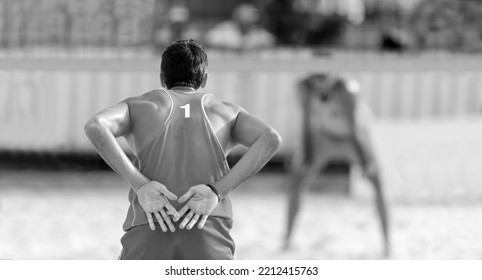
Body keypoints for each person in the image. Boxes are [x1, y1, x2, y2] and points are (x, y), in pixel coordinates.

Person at [84, 39, 282, 260]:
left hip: (150, 222)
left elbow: (96, 127)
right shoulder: (225, 111)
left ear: (162, 78)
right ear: (204, 79)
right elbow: (270, 139)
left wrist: (141, 186)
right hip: (207, 225)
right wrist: (218, 191)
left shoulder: (140, 105)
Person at [283, 74, 390, 257]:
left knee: (378, 181)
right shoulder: (305, 86)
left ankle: (388, 245)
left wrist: (366, 162)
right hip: (325, 135)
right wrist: (307, 157)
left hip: (354, 137)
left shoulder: (347, 88)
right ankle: (287, 241)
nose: (319, 80)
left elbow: (355, 127)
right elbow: (307, 124)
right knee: (299, 179)